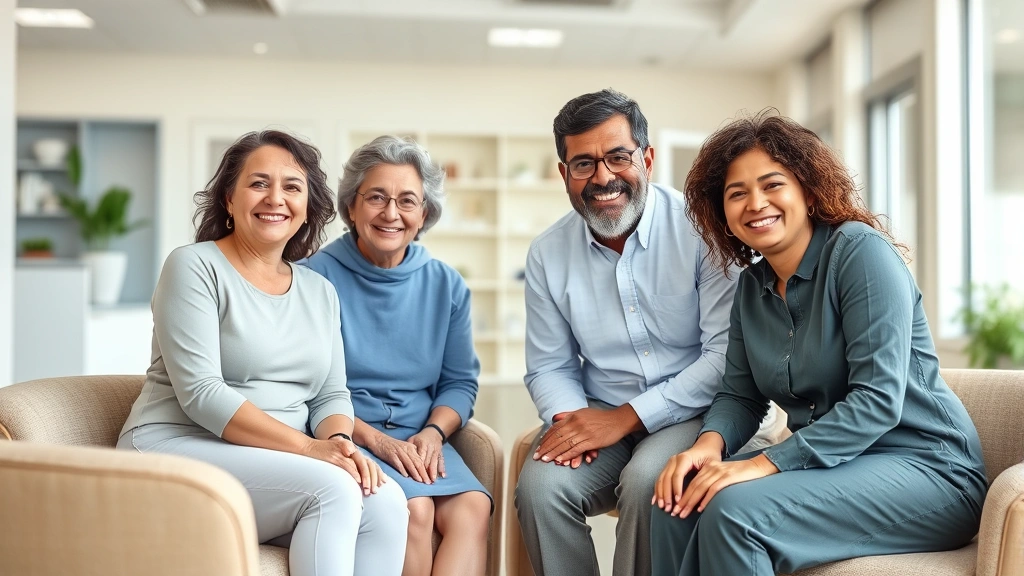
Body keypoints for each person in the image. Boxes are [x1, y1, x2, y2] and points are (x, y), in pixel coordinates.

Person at [649, 111, 988, 575]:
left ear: (807, 191)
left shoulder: (860, 253)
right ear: (723, 214)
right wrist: (708, 445)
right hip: (836, 466)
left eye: (772, 185)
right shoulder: (751, 287)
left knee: (734, 512)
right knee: (675, 502)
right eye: (736, 193)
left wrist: (763, 463)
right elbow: (739, 395)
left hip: (929, 471)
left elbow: (877, 399)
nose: (755, 203)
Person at [116, 130, 409, 576]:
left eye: (292, 186)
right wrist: (310, 450)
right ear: (228, 200)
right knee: (332, 488)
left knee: (385, 499)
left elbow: (331, 394)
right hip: (174, 444)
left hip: (278, 461)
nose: (276, 198)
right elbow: (202, 394)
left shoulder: (319, 290)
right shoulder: (194, 266)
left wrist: (338, 443)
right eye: (258, 183)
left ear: (307, 206)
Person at [514, 89, 780, 576]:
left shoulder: (703, 230)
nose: (603, 177)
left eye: (618, 157)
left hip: (703, 411)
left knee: (646, 481)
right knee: (539, 488)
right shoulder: (547, 253)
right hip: (600, 410)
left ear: (648, 158)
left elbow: (725, 355)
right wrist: (574, 422)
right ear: (563, 173)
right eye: (583, 164)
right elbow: (549, 364)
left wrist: (626, 418)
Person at [304, 135, 491, 576]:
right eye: (376, 198)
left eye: (407, 200)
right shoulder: (315, 277)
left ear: (424, 213)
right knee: (417, 512)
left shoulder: (446, 284)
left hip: (418, 438)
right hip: (347, 432)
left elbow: (459, 381)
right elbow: (308, 388)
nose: (391, 214)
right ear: (352, 206)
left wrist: (433, 434)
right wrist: (376, 441)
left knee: (472, 508)